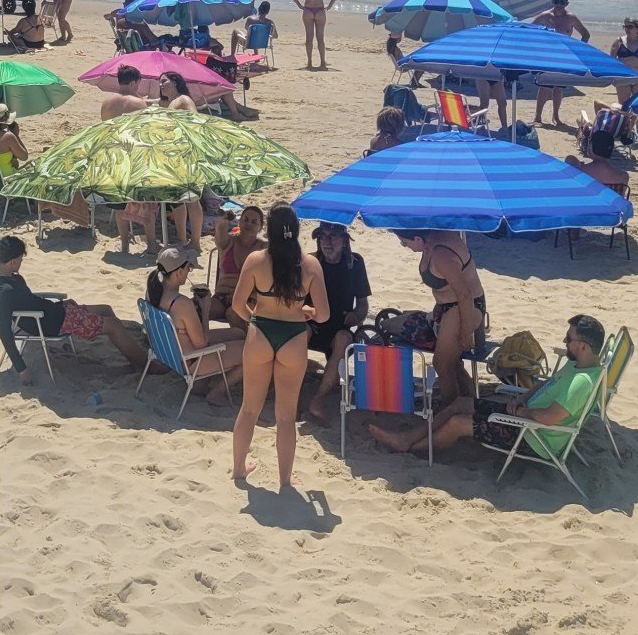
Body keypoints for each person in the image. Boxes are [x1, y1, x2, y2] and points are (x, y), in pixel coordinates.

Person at [370, 314, 605, 461]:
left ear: (583, 346)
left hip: (532, 437)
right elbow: (548, 383)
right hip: (523, 417)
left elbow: (549, 418)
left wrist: (522, 413)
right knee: (460, 404)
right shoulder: (578, 365)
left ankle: (414, 450)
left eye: (569, 339)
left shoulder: (581, 382)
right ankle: (408, 437)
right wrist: (523, 397)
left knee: (457, 423)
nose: (565, 342)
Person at [228, 204, 330, 492]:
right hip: (293, 337)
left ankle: (238, 469)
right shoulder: (310, 264)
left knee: (249, 408)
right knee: (286, 416)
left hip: (262, 331)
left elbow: (238, 305)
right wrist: (306, 310)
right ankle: (285, 480)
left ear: (268, 229)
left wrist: (255, 322)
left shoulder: (256, 260)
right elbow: (323, 315)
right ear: (295, 229)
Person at [0, 235, 147, 384]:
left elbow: (31, 301)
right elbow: (3, 330)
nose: (21, 262)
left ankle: (128, 349)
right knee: (114, 325)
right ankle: (145, 365)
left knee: (106, 309)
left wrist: (61, 304)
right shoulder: (6, 291)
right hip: (54, 323)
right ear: (12, 262)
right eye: (20, 259)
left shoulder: (8, 276)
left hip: (56, 312)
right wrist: (21, 368)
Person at [148, 247, 242, 406]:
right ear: (178, 272)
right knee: (250, 351)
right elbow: (202, 343)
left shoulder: (153, 293)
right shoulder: (181, 303)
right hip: (192, 362)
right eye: (188, 268)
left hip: (174, 354)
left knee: (238, 333)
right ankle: (216, 393)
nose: (189, 271)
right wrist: (205, 310)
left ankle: (205, 383)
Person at [399, 229, 486, 400]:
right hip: (450, 305)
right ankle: (468, 404)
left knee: (442, 364)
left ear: (417, 238)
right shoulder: (431, 241)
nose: (403, 245)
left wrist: (466, 333)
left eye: (405, 241)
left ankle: (452, 410)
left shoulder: (441, 254)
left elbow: (464, 294)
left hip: (466, 306)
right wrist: (439, 304)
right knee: (453, 364)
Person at [305, 222, 372, 421]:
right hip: (312, 323)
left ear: (344, 240)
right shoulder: (310, 262)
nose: (327, 241)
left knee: (343, 340)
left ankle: (318, 399)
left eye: (332, 236)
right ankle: (292, 393)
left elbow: (362, 305)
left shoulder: (355, 263)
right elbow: (296, 299)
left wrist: (356, 316)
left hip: (338, 327)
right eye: (322, 236)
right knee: (300, 332)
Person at [529, 0, 589, 127]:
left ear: (566, 4)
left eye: (562, 3)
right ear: (553, 3)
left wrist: (579, 52)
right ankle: (537, 117)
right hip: (548, 56)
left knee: (559, 87)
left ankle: (556, 116)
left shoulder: (571, 18)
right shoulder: (545, 16)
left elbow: (585, 34)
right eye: (557, 2)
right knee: (545, 86)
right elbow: (529, 30)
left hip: (564, 57)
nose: (559, 5)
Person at [211, 204, 264, 322]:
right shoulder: (228, 242)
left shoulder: (264, 248)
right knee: (200, 308)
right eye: (245, 219)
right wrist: (224, 219)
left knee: (234, 314)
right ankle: (199, 340)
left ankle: (245, 340)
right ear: (239, 222)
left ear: (260, 227)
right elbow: (220, 228)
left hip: (248, 298)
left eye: (254, 222)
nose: (248, 224)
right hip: (222, 296)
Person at [290, 0, 337, 69]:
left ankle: (310, 62)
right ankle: (322, 63)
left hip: (307, 10)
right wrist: (329, 5)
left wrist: (299, 5)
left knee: (309, 38)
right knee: (320, 38)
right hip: (320, 10)